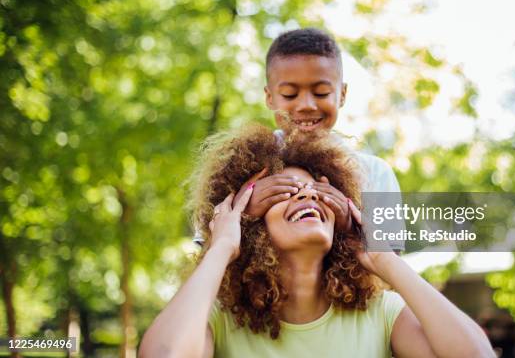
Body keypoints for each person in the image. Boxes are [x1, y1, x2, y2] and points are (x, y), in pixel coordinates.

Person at [140, 125, 495, 358]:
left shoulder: (381, 314)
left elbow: (476, 355)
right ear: (250, 224)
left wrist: (383, 257)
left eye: (319, 191)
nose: (307, 197)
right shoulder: (219, 319)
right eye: (287, 191)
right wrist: (221, 248)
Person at [194, 28, 404, 248]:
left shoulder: (375, 173)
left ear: (342, 94)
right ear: (269, 97)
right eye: (290, 95)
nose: (306, 105)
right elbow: (206, 258)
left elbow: (389, 269)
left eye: (321, 92)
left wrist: (352, 228)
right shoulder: (236, 167)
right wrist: (241, 214)